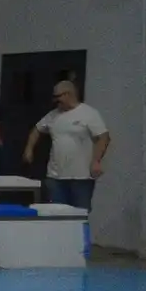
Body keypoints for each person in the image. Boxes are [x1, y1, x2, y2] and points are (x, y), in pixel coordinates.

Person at [23, 80, 108, 211]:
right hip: (55, 177)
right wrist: (29, 149)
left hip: (81, 176)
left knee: (80, 213)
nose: (56, 101)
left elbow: (103, 137)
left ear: (69, 94)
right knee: (56, 214)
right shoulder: (53, 115)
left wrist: (96, 161)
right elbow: (37, 129)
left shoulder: (88, 113)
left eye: (58, 97)